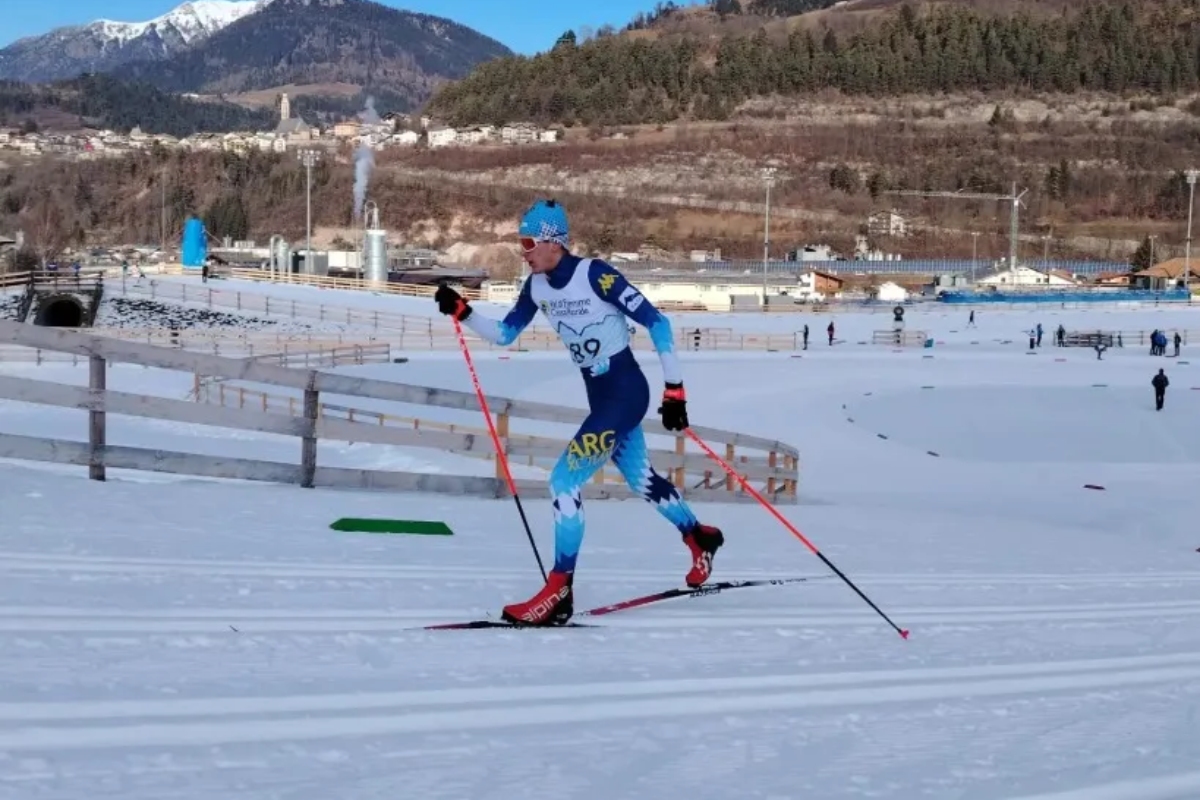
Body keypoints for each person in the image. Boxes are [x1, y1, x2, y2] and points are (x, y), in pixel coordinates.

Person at [433, 199, 725, 626]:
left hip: (625, 394)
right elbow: (504, 335)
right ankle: (699, 536)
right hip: (602, 398)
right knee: (643, 479)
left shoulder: (595, 275)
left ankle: (559, 589)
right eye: (521, 242)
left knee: (563, 481)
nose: (524, 251)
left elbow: (658, 322)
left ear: (553, 241)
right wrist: (464, 311)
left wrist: (675, 390)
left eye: (529, 242)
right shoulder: (536, 286)